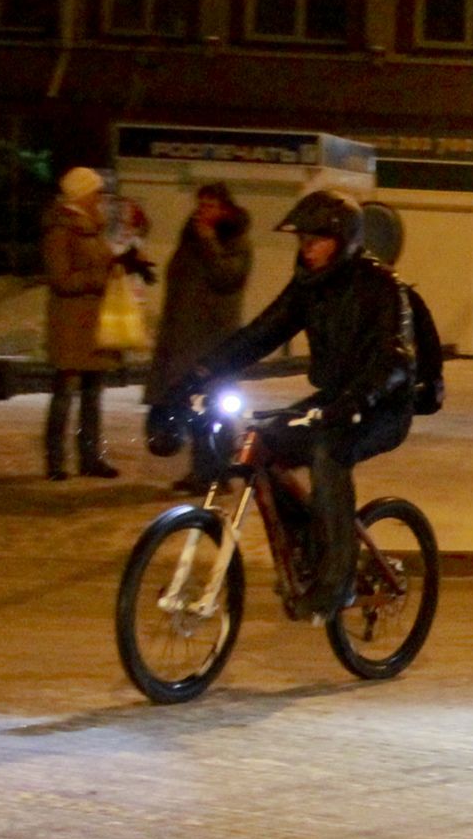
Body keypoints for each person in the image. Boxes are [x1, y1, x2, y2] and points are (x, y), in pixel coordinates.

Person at [152, 190, 416, 621]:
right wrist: (198, 375)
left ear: (345, 240)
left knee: (328, 452)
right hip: (333, 400)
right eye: (303, 241)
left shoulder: (380, 286)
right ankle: (312, 545)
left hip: (382, 404)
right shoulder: (308, 286)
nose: (306, 249)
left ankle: (336, 581)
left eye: (316, 240)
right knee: (261, 445)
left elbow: (396, 359)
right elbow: (259, 334)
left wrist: (357, 402)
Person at [41, 166, 155, 481]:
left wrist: (125, 262)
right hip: (69, 324)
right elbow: (61, 279)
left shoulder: (93, 228)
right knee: (64, 394)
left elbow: (101, 262)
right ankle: (55, 461)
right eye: (95, 191)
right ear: (81, 194)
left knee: (93, 394)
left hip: (94, 324)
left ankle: (90, 457)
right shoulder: (60, 229)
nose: (100, 197)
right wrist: (101, 275)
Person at [146, 183, 254, 492]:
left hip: (214, 338)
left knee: (216, 406)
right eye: (200, 205)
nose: (202, 212)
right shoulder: (190, 237)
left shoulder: (236, 239)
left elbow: (228, 277)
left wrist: (209, 242)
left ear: (225, 209)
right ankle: (201, 470)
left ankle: (218, 473)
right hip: (184, 337)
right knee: (193, 405)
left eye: (210, 205)